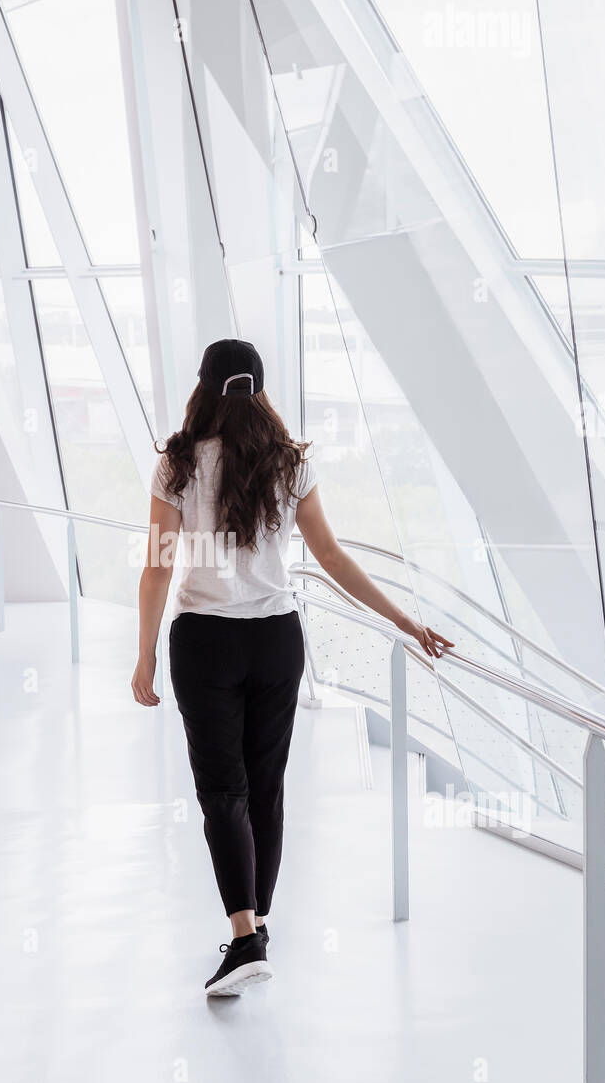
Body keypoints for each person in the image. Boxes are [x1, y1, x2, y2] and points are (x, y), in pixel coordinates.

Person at [131, 340, 453, 997]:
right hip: (276, 641)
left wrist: (142, 657)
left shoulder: (178, 465)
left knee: (222, 791)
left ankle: (245, 934)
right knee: (264, 786)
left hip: (204, 642)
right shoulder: (288, 463)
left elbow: (159, 565)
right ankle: (257, 921)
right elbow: (330, 557)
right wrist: (404, 621)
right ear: (259, 389)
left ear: (203, 386)